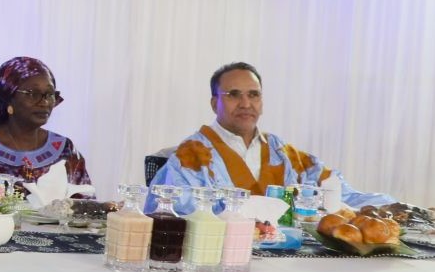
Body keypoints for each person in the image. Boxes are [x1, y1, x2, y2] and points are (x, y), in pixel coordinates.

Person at [150, 61, 393, 206]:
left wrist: (394, 205)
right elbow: (169, 207)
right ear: (214, 104)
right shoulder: (191, 154)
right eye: (234, 94)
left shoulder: (283, 152)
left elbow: (340, 193)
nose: (246, 103)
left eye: (253, 94)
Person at [0, 56, 90, 206]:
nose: (45, 102)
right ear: (9, 98)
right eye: (33, 94)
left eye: (50, 94)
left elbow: (86, 205)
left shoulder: (65, 148)